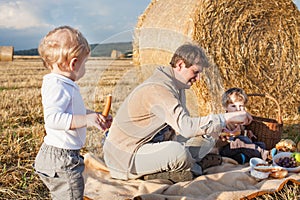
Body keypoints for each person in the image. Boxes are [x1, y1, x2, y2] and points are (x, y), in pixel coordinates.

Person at [103, 43, 252, 183]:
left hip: (152, 145)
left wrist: (217, 131)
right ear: (180, 65)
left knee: (207, 137)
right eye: (195, 72)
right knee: (177, 152)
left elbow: (184, 129)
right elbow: (186, 127)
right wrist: (227, 117)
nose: (198, 79)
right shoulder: (159, 88)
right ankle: (185, 169)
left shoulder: (177, 85)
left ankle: (183, 167)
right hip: (126, 156)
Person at [34, 26, 112, 199]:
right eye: (85, 63)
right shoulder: (57, 86)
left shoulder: (63, 83)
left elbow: (74, 112)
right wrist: (86, 119)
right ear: (74, 63)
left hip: (61, 156)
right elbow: (53, 119)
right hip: (62, 159)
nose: (85, 67)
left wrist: (94, 116)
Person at [218, 88, 274, 164]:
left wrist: (247, 132)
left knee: (261, 144)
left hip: (237, 149)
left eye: (241, 106)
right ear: (225, 107)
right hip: (226, 148)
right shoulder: (225, 120)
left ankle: (242, 158)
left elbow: (240, 132)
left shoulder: (240, 121)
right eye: (233, 106)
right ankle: (267, 155)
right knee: (242, 141)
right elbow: (223, 138)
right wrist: (230, 134)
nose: (238, 109)